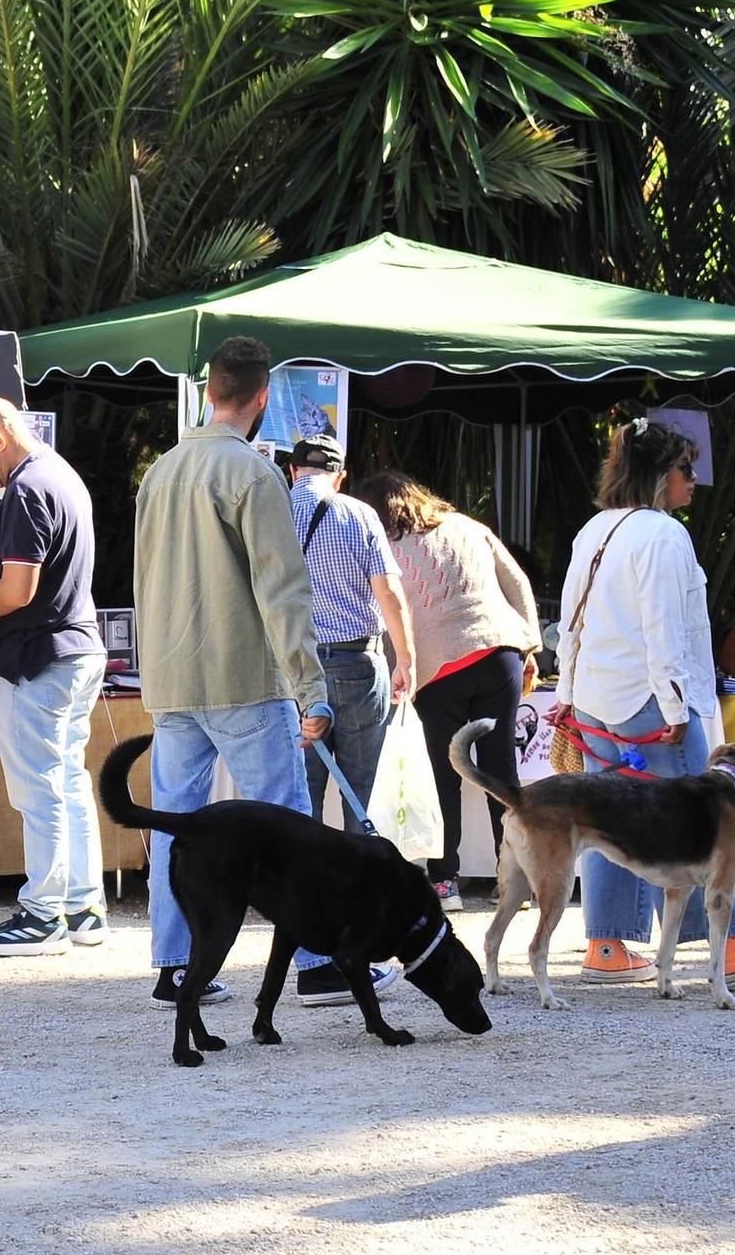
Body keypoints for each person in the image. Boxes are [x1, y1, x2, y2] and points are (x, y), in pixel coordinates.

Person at [133, 336, 396, 1010]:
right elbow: (283, 592)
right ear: (263, 397)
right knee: (286, 823)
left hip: (170, 677)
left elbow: (143, 580)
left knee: (176, 823)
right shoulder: (254, 474)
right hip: (243, 675)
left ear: (209, 390)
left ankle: (175, 966)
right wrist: (311, 689)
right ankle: (318, 962)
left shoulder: (160, 471)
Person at [553, 417, 735, 985]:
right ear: (661, 473)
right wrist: (674, 709)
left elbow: (571, 621)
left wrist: (566, 694)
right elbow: (663, 629)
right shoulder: (664, 535)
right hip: (649, 700)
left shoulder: (594, 529)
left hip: (594, 698)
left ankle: (607, 948)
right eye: (685, 469)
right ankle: (727, 944)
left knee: (605, 821)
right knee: (701, 822)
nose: (693, 480)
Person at [0, 397, 108, 957]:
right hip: (74, 651)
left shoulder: (27, 488)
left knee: (40, 789)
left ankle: (42, 914)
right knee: (67, 781)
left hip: (36, 659)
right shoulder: (61, 475)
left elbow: (17, 590)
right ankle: (82, 906)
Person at [361, 471, 540, 911]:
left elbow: (387, 610)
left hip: (436, 669)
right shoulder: (467, 526)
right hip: (499, 652)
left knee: (444, 775)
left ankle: (445, 883)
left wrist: (398, 668)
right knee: (501, 770)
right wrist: (530, 644)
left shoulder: (383, 545)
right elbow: (518, 582)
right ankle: (516, 879)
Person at [285, 434, 415, 839]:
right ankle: (361, 875)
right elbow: (388, 593)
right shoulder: (359, 514)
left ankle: (305, 875)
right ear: (340, 476)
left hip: (295, 668)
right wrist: (406, 660)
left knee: (302, 791)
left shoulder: (273, 513)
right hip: (359, 663)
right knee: (363, 789)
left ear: (293, 471)